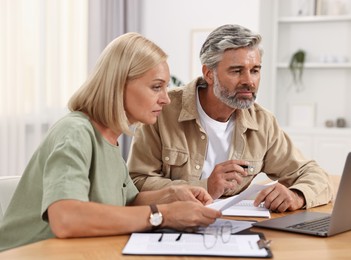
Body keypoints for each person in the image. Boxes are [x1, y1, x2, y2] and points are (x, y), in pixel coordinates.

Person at [0, 32, 221, 252]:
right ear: (118, 84)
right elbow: (65, 218)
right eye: (156, 87)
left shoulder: (109, 139)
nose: (165, 98)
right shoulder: (75, 132)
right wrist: (164, 215)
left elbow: (127, 202)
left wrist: (171, 195)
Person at [127, 24, 333, 213]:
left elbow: (314, 175)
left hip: (234, 230)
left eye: (255, 71)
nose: (249, 81)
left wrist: (297, 195)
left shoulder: (262, 123)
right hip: (172, 225)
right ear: (209, 74)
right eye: (236, 71)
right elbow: (136, 183)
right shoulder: (162, 109)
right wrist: (205, 186)